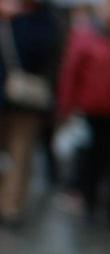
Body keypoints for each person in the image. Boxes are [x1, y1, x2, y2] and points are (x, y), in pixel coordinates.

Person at [55, 0, 110, 227]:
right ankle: (90, 204)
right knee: (91, 161)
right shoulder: (86, 36)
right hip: (92, 111)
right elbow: (71, 73)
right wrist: (66, 107)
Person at [0, 0, 58, 226]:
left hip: (27, 99)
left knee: (20, 154)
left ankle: (11, 205)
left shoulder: (44, 19)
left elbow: (47, 52)